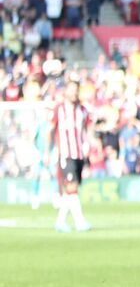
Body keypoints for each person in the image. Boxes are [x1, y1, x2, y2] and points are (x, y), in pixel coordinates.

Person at [51, 80, 91, 233]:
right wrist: (48, 152)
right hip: (65, 153)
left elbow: (86, 130)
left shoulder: (82, 110)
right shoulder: (59, 109)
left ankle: (60, 222)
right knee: (71, 187)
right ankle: (80, 221)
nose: (74, 92)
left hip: (79, 154)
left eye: (76, 89)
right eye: (71, 89)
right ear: (65, 91)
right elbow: (50, 129)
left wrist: (88, 148)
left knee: (71, 190)